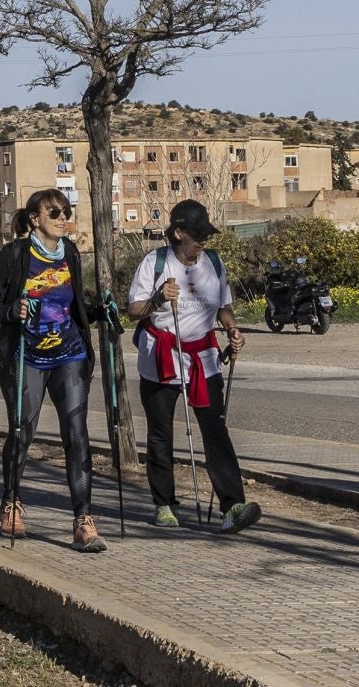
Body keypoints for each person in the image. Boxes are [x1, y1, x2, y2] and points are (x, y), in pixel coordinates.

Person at [0, 188, 107, 553]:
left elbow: (74, 302)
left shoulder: (69, 253)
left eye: (66, 212)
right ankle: (11, 502)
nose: (63, 219)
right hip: (26, 356)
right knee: (22, 431)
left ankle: (83, 519)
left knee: (77, 433)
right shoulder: (16, 254)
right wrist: (10, 311)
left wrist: (98, 311)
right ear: (35, 219)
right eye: (55, 214)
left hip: (70, 354)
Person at [128, 200, 260, 533]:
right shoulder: (154, 262)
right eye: (196, 236)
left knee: (216, 432)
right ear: (178, 233)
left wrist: (232, 329)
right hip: (161, 357)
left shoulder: (213, 262)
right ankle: (164, 504)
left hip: (204, 359)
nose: (202, 243)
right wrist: (158, 299)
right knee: (160, 434)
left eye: (205, 236)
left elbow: (223, 306)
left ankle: (232, 506)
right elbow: (134, 311)